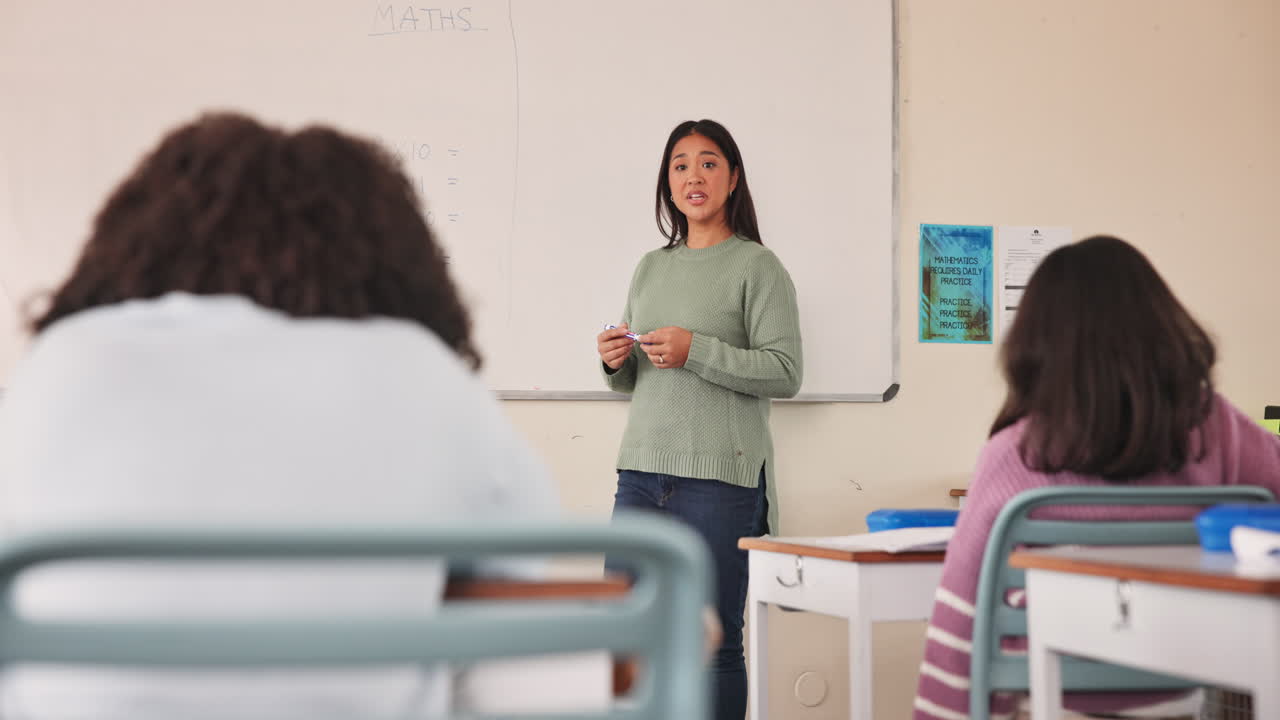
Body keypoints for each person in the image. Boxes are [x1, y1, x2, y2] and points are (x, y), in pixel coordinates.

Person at [0, 112, 558, 718]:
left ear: (135, 239)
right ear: (390, 259)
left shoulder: (62, 363)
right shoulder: (420, 369)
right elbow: (517, 574)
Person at [912, 236, 1280, 720]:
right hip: (1179, 692)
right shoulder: (1217, 428)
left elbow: (962, 622)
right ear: (1163, 329)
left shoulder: (1015, 454)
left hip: (1046, 698)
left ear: (1035, 345)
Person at [595, 118, 803, 720]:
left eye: (709, 163)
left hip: (721, 482)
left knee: (712, 648)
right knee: (624, 634)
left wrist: (698, 351)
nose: (694, 176)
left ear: (733, 179)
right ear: (667, 180)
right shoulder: (649, 268)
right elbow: (637, 379)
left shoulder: (758, 267)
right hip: (639, 474)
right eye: (681, 164)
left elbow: (786, 372)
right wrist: (615, 362)